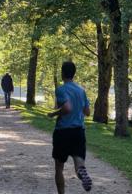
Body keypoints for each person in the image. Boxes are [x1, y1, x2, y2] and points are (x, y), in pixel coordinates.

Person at [47, 61, 92, 193]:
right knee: (78, 162)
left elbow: (67, 107)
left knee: (59, 168)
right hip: (79, 131)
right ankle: (81, 172)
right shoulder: (81, 90)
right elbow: (87, 112)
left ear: (62, 73)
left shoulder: (61, 89)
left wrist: (54, 113)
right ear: (74, 73)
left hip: (63, 132)